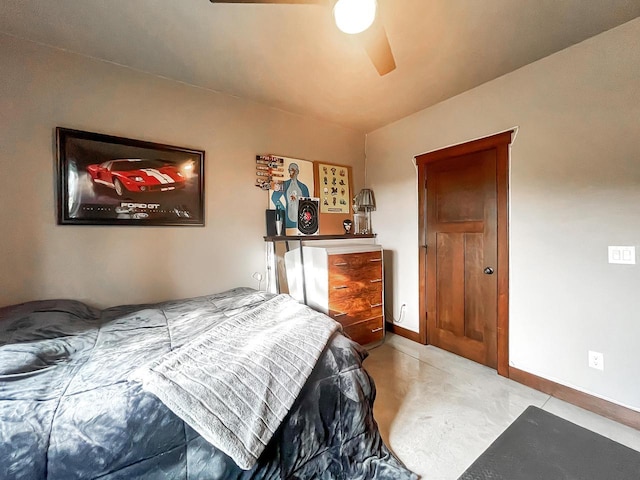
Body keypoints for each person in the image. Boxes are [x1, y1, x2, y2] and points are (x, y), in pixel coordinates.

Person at [271, 162, 309, 229]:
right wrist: (282, 209)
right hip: (288, 217)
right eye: (292, 170)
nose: (294, 172)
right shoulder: (284, 184)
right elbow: (274, 198)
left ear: (298, 172)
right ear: (289, 171)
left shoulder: (303, 187)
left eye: (295, 170)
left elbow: (308, 203)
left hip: (301, 219)